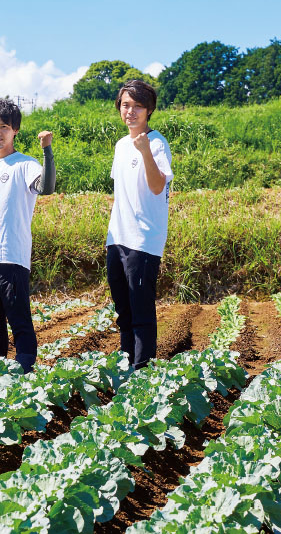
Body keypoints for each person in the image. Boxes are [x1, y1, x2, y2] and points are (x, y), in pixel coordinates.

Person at [0, 100, 55, 373]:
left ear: (15, 130)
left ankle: (25, 372)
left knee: (19, 321)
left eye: (4, 127)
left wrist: (47, 151)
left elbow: (47, 187)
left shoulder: (25, 164)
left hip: (11, 256)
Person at [106, 79, 173, 371]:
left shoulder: (156, 143)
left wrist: (145, 150)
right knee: (123, 312)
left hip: (144, 240)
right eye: (125, 105)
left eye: (137, 106)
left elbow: (158, 186)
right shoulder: (121, 145)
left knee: (142, 311)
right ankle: (126, 368)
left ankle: (142, 373)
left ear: (149, 110)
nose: (130, 112)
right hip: (117, 238)